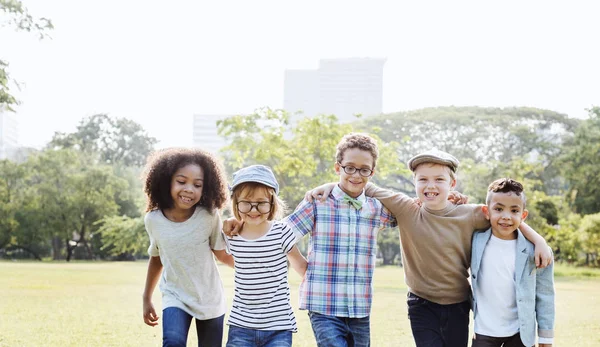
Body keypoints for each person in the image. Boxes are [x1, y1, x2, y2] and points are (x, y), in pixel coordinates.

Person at [306, 148, 553, 347]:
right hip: (421, 304)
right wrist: (329, 185)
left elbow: (507, 218)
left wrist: (538, 240)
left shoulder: (470, 214)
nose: (430, 185)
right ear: (414, 182)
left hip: (458, 304)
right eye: (422, 179)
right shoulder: (405, 208)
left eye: (439, 180)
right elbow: (360, 183)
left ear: (452, 183)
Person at [141, 147, 234, 347]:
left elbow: (222, 254)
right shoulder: (153, 219)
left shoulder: (209, 216)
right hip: (175, 295)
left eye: (197, 184)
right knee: (173, 342)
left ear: (205, 188)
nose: (189, 189)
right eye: (181, 181)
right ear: (166, 181)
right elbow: (157, 258)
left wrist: (255, 264)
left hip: (209, 298)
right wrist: (147, 297)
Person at [223, 165, 308, 347]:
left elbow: (300, 266)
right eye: (246, 202)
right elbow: (225, 258)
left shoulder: (281, 232)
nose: (254, 210)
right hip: (241, 325)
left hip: (278, 326)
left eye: (261, 202)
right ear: (236, 203)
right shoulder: (231, 235)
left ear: (272, 203)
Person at [471, 178, 555, 347]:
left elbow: (545, 295)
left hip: (521, 334)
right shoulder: (474, 240)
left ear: (523, 215)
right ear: (487, 212)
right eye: (499, 209)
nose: (506, 216)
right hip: (484, 332)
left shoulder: (537, 251)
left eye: (514, 210)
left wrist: (546, 339)